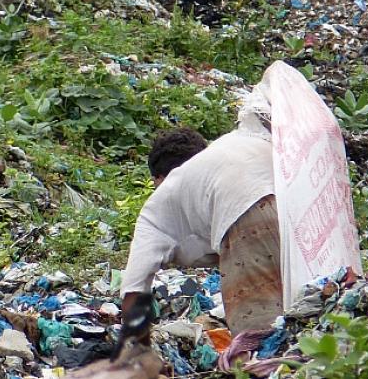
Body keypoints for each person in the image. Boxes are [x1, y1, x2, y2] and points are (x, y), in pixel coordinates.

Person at [120, 127, 281, 335]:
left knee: (257, 330)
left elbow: (134, 286)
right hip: (289, 204)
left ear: (158, 179)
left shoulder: (159, 203)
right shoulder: (233, 144)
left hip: (244, 217)